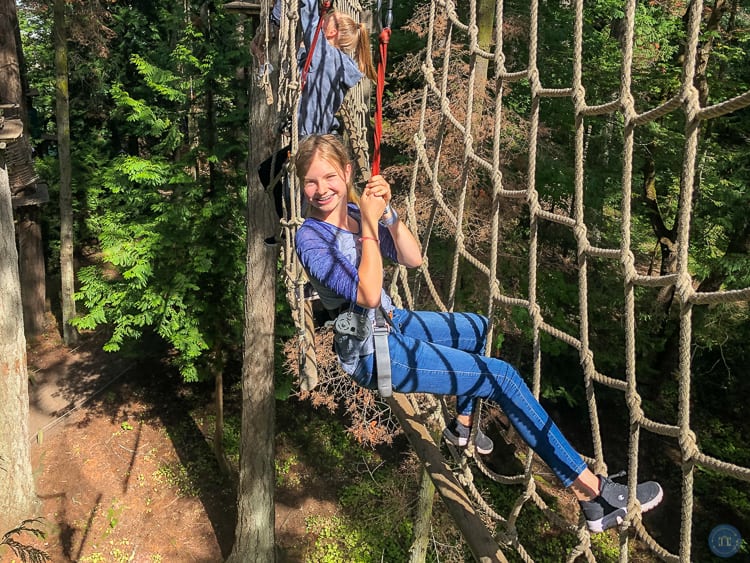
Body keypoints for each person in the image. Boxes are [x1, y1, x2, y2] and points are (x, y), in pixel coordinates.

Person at [293, 133, 665, 533]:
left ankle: (463, 424)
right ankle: (593, 494)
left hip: (392, 322)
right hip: (371, 350)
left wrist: (387, 216)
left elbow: (413, 258)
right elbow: (367, 294)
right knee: (501, 376)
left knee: (477, 328)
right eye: (310, 182)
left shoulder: (353, 211)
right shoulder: (309, 238)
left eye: (329, 177)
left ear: (347, 172)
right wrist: (368, 222)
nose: (320, 190)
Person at [258, 0, 377, 232]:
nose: (321, 24)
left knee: (299, 188)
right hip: (318, 135)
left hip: (311, 140)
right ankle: (296, 227)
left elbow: (312, 16)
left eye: (326, 22)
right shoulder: (332, 61)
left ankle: (302, 230)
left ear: (331, 32)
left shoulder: (325, 55)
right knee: (271, 173)